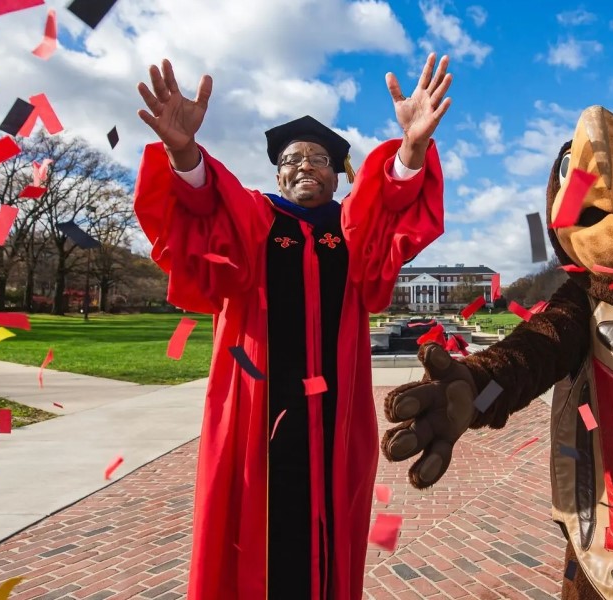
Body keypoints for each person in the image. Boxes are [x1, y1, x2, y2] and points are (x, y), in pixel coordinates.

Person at [132, 54, 453, 599]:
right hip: (255, 416)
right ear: (277, 173)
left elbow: (391, 205)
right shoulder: (255, 220)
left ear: (338, 173)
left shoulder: (350, 231)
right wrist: (183, 152)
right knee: (251, 535)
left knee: (329, 539)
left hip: (335, 421)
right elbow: (205, 202)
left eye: (321, 158)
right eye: (292, 158)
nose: (306, 165)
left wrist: (412, 149)